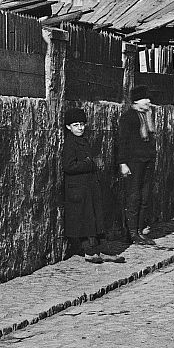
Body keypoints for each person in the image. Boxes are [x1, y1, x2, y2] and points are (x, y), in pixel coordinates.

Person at [63, 107, 124, 265]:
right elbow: (68, 166)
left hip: (89, 187)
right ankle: (90, 252)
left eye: (82, 124)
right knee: (84, 222)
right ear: (69, 127)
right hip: (78, 189)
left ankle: (104, 250)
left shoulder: (84, 140)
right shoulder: (70, 143)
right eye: (76, 125)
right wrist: (88, 164)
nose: (80, 128)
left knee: (96, 220)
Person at [117, 94, 158, 246]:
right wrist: (122, 163)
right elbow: (122, 141)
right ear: (136, 101)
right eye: (145, 99)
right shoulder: (128, 118)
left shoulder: (148, 116)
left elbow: (150, 140)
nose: (148, 101)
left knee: (145, 197)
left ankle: (140, 231)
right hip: (133, 163)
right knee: (134, 197)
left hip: (146, 162)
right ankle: (132, 233)